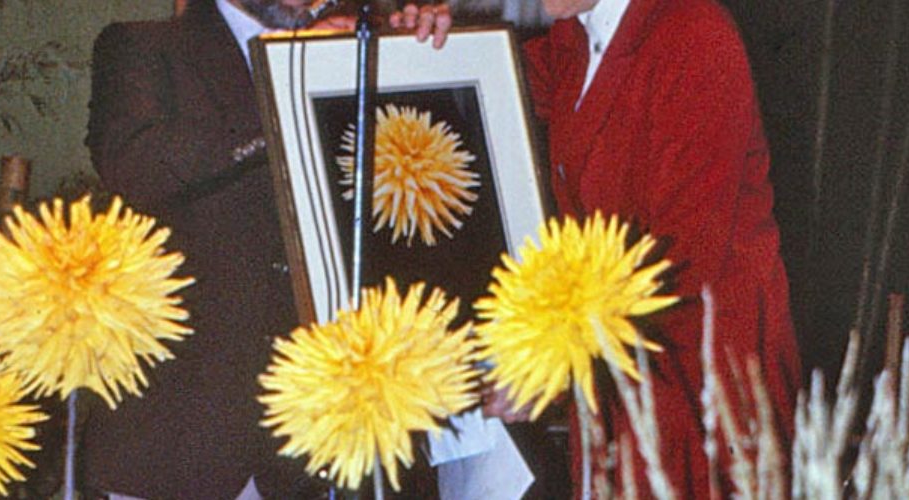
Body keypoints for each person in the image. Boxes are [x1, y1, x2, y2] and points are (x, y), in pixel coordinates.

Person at [82, 1, 450, 498]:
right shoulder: (144, 46)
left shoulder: (362, 45)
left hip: (323, 447)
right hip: (183, 443)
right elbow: (136, 166)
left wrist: (423, 54)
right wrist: (295, 75)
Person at [484, 0, 803, 496]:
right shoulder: (576, 32)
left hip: (704, 397)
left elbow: (679, 261)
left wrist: (549, 363)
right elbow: (491, 74)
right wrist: (422, 38)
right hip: (623, 391)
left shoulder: (696, 37)